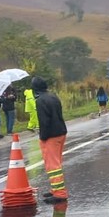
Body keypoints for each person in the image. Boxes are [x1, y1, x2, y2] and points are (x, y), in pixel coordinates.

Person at [32, 76, 69, 204]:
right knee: (57, 163)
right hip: (61, 132)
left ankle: (60, 193)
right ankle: (55, 189)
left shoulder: (40, 101)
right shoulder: (53, 96)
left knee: (53, 166)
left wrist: (43, 137)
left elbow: (44, 121)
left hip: (51, 136)